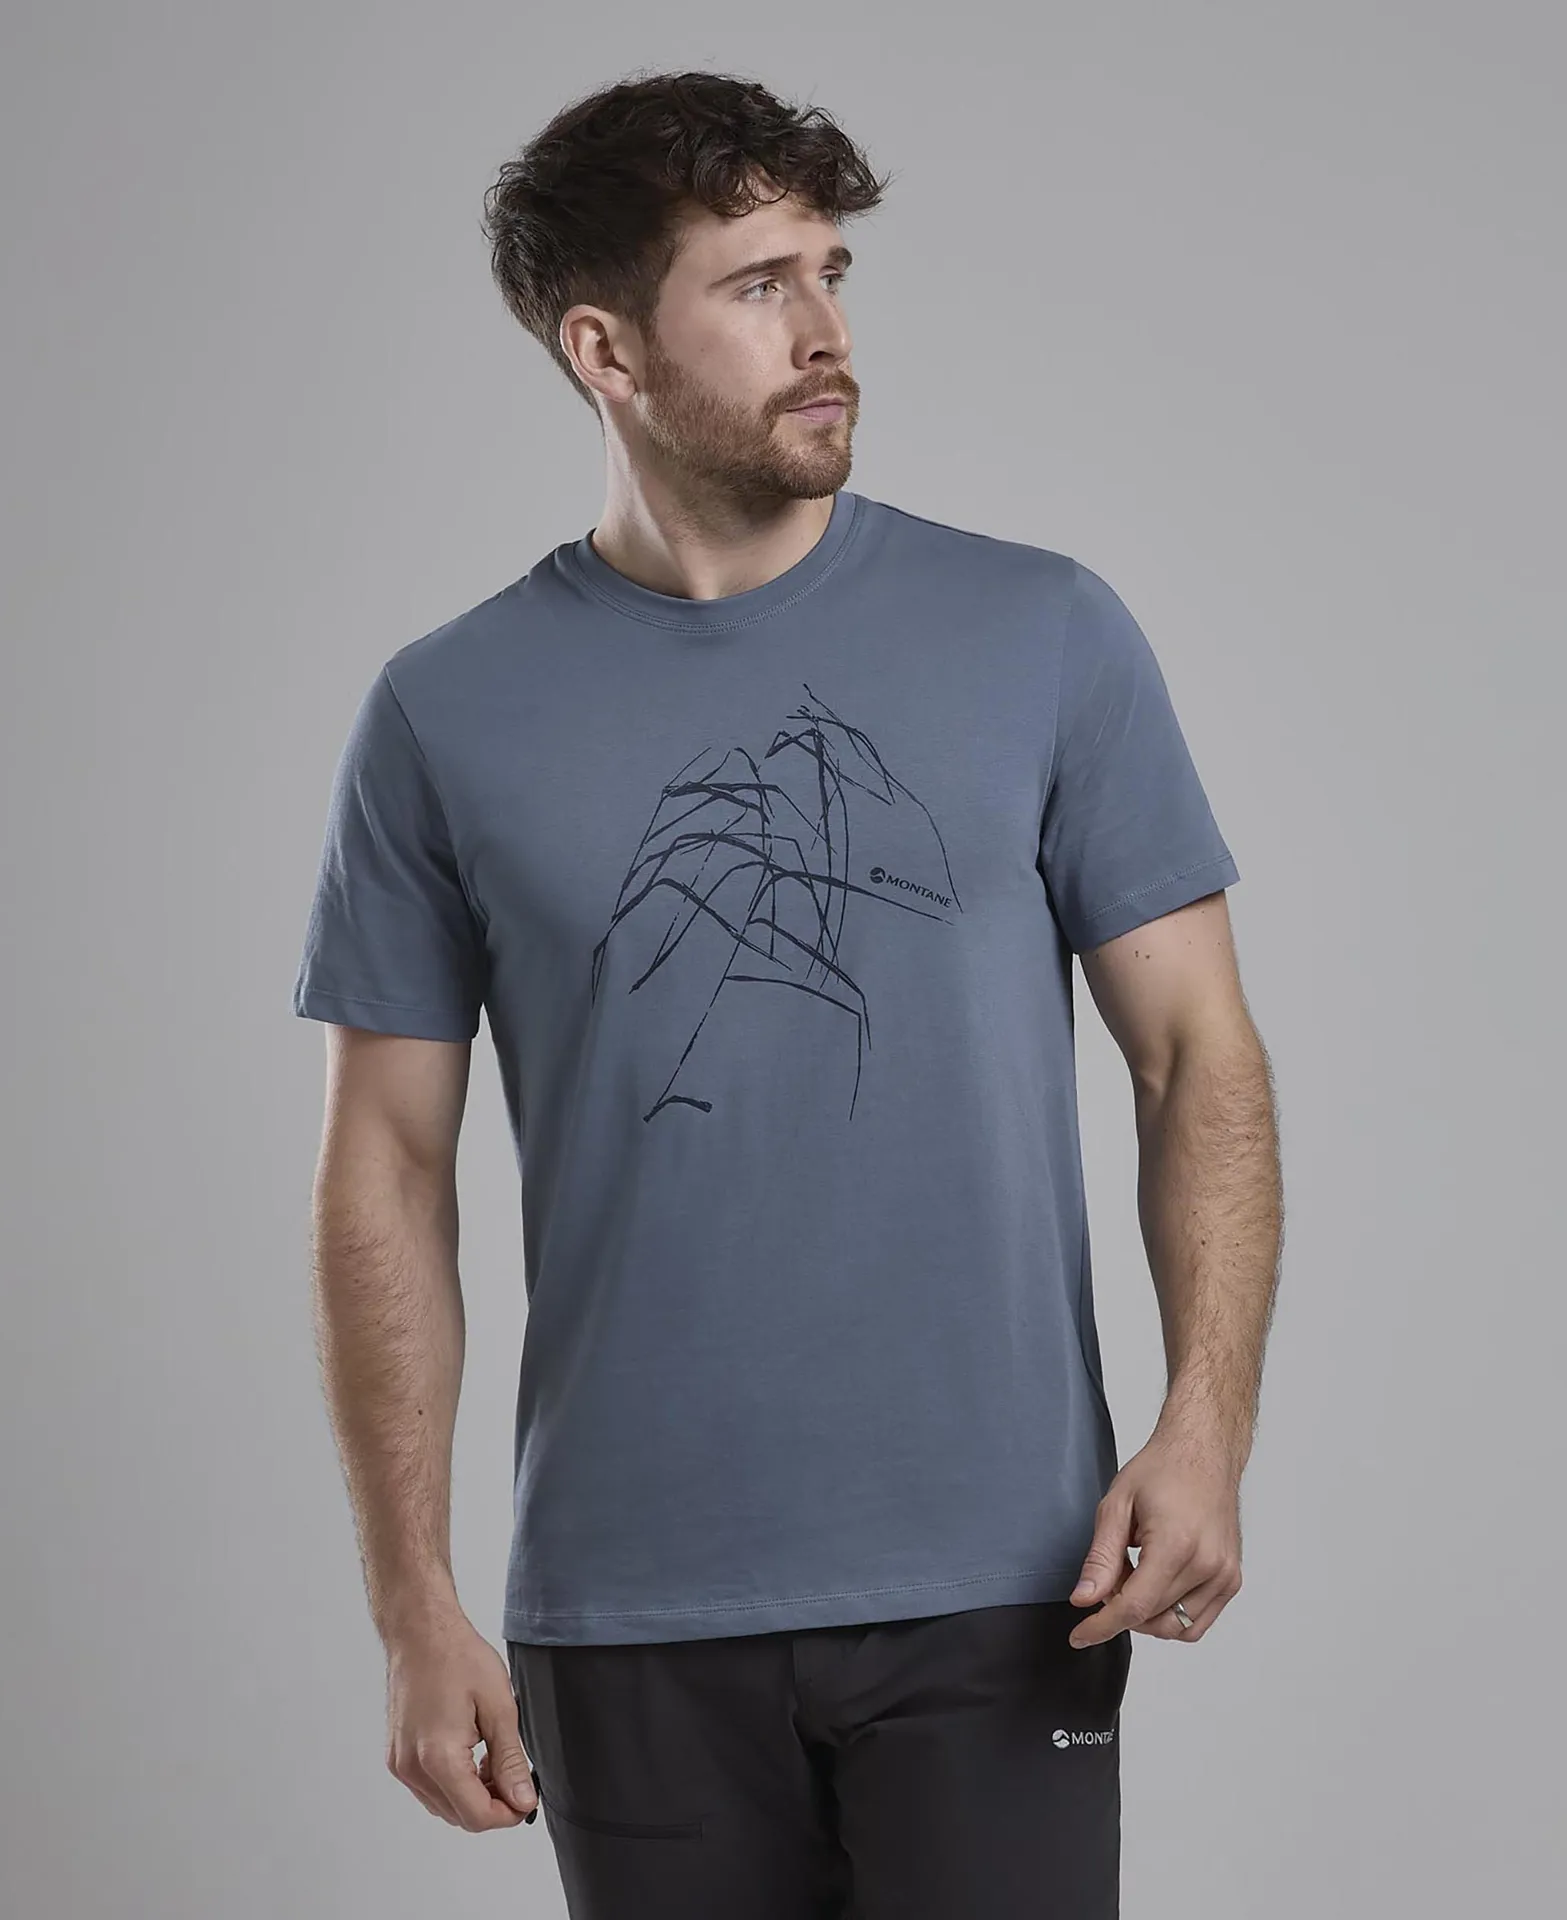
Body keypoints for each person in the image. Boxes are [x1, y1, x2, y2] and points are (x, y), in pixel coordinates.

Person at [291, 68, 1282, 1919]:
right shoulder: (444, 712)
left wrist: (1206, 1420)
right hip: (626, 1604)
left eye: (831, 272)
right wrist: (412, 1604)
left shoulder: (1045, 632)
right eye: (758, 286)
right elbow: (386, 1171)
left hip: (1005, 1581)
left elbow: (1192, 1052)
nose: (827, 333)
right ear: (604, 347)